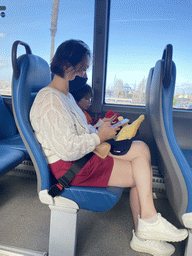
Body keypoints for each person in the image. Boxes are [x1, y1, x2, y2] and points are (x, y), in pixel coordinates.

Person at [30, 39, 188, 256]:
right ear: (67, 67)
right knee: (139, 174)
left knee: (141, 149)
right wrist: (99, 137)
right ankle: (145, 229)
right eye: (82, 69)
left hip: (80, 157)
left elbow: (77, 130)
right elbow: (67, 149)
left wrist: (98, 127)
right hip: (71, 167)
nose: (84, 76)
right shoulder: (49, 102)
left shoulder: (64, 97)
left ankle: (147, 225)